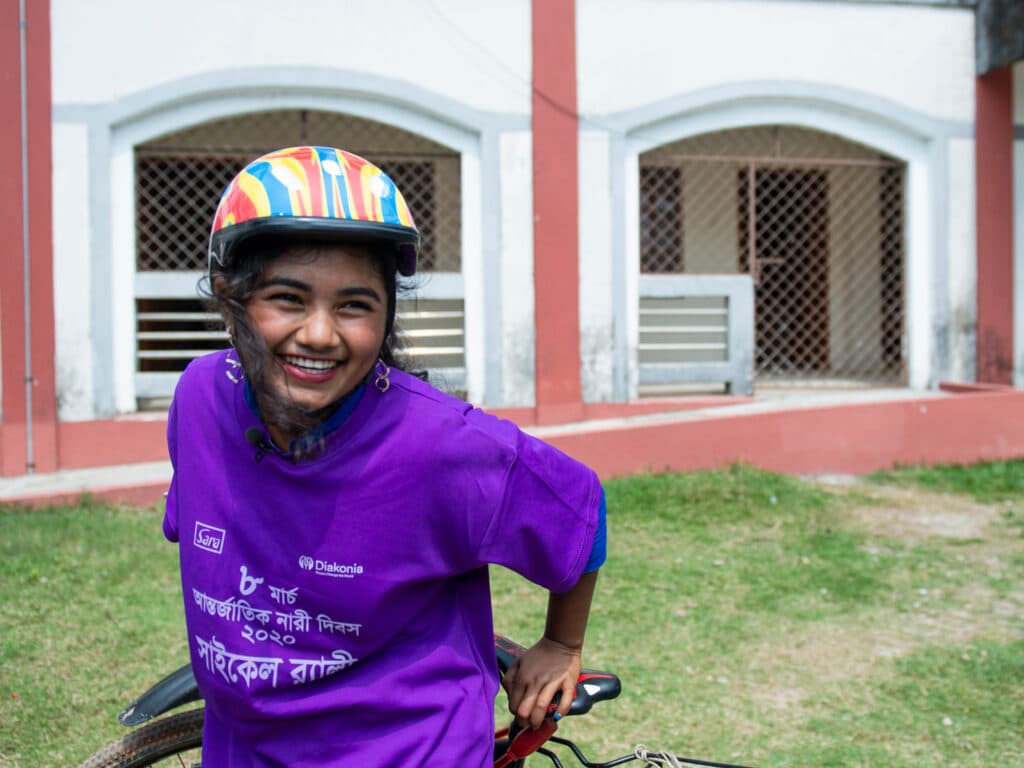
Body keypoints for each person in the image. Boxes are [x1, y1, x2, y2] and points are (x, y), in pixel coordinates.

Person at [162, 145, 607, 766]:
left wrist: (561, 644)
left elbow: (578, 512)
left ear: (388, 314)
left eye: (353, 305)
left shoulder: (439, 443)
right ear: (230, 297)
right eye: (287, 298)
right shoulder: (200, 398)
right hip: (244, 746)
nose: (319, 333)